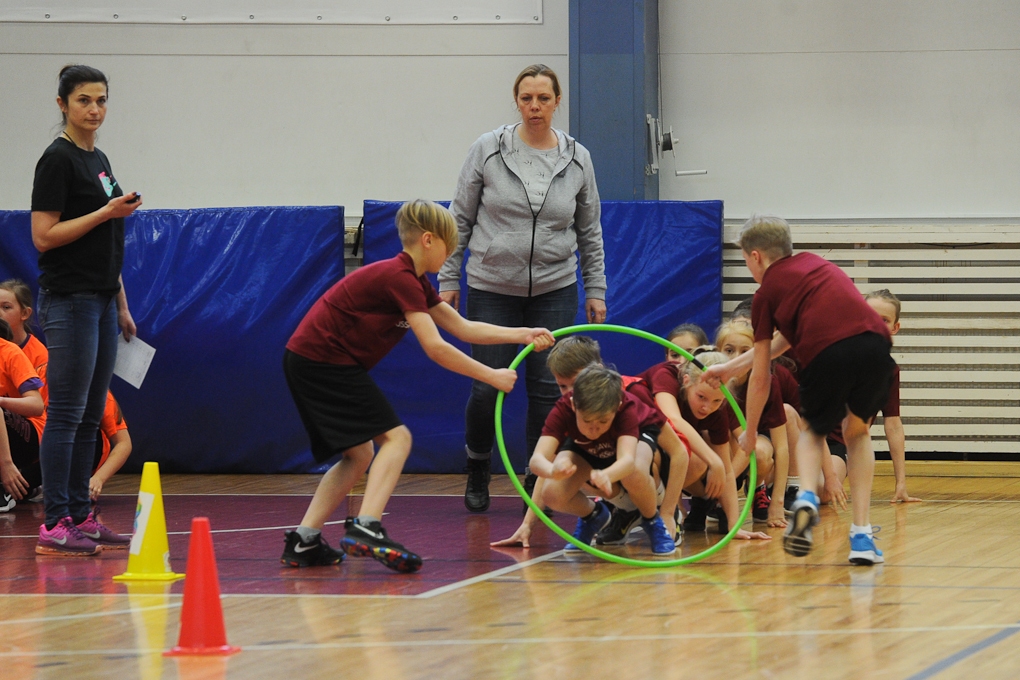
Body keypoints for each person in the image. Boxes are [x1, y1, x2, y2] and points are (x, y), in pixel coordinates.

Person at [281, 199, 554, 573]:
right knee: (398, 439)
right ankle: (367, 527)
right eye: (449, 245)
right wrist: (490, 375)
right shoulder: (400, 277)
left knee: (359, 454)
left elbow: (462, 327)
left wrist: (524, 334)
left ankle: (304, 540)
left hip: (315, 360)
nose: (451, 253)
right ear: (428, 240)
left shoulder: (413, 282)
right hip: (323, 360)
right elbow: (436, 347)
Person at [437, 64, 607, 514]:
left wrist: (597, 288)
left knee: (548, 390)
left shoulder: (577, 157)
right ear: (517, 101)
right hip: (492, 286)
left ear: (557, 102)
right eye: (527, 98)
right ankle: (477, 466)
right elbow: (459, 219)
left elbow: (590, 230)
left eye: (543, 99)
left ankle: (540, 478)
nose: (535, 107)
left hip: (555, 286)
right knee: (487, 386)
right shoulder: (488, 150)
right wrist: (449, 278)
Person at [704, 215, 894, 565]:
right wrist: (728, 368)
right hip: (876, 348)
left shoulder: (765, 296)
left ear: (756, 256)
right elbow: (786, 339)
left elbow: (762, 374)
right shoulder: (819, 265)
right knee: (858, 434)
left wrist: (749, 428)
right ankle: (862, 536)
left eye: (746, 260)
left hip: (828, 353)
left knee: (811, 430)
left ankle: (805, 496)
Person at [31, 65, 141, 556]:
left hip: (98, 301)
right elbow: (43, 236)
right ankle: (55, 522)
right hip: (68, 300)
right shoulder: (57, 160)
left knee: (91, 414)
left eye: (100, 100)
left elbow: (105, 240)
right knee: (66, 413)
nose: (94, 109)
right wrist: (106, 211)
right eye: (83, 101)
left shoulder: (98, 158)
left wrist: (120, 303)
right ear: (62, 105)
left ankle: (81, 514)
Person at [527, 364, 676, 555]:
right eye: (587, 420)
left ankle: (653, 521)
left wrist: (606, 475)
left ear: (617, 407)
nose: (594, 428)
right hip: (585, 445)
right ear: (573, 405)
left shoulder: (627, 408)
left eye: (603, 421)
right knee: (552, 493)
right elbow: (536, 459)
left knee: (635, 470)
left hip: (635, 436)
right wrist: (552, 470)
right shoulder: (563, 408)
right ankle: (593, 516)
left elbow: (627, 460)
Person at [715, 319, 790, 528]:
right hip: (724, 443)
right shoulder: (714, 380)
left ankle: (758, 488)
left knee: (760, 452)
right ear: (717, 351)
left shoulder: (767, 380)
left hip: (756, 439)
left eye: (744, 351)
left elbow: (782, 447)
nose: (736, 358)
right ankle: (714, 498)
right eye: (729, 350)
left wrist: (777, 501)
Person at [864, 289, 919, 504]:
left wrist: (901, 484)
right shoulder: (838, 355)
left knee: (822, 493)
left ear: (895, 328)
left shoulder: (889, 371)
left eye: (884, 320)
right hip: (812, 439)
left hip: (841, 448)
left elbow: (893, 424)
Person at [0, 319, 45, 513]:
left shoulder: (10, 352)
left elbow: (37, 406)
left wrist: (7, 466)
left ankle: (8, 475)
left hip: (32, 431)